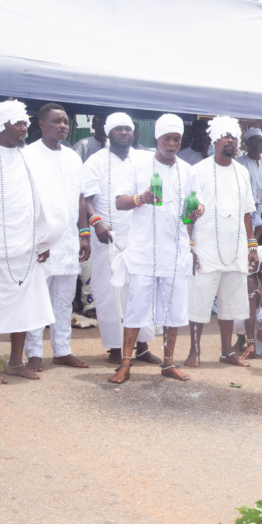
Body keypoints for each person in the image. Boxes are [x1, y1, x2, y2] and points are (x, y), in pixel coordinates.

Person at [0, 100, 58, 384]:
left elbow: (42, 200)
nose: (24, 128)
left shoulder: (28, 156)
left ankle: (16, 362)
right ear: (1, 125)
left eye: (25, 123)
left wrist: (44, 239)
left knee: (25, 305)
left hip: (27, 245)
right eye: (18, 123)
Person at [110, 114, 203, 384]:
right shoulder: (137, 164)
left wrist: (198, 211)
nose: (172, 144)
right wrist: (143, 198)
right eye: (166, 139)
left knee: (173, 310)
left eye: (176, 139)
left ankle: (168, 363)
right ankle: (125, 364)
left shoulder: (188, 170)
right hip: (143, 251)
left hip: (175, 252)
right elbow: (119, 201)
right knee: (137, 308)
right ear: (157, 139)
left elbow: (196, 206)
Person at [81, 113, 159, 366]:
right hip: (108, 236)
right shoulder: (95, 161)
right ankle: (116, 347)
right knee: (109, 289)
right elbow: (87, 198)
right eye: (118, 130)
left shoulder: (146, 158)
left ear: (134, 133)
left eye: (128, 129)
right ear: (108, 134)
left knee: (142, 289)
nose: (124, 133)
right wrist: (96, 222)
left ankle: (143, 346)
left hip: (140, 234)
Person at [184, 116, 257, 369]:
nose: (231, 141)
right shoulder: (198, 171)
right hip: (205, 248)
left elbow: (248, 212)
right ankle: (194, 351)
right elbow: (189, 212)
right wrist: (190, 246)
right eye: (225, 136)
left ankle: (227, 352)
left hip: (235, 249)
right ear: (214, 141)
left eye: (234, 137)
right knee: (199, 302)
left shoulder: (243, 172)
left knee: (231, 304)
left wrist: (252, 246)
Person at [23, 104, 90, 371]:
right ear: (41, 124)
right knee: (37, 297)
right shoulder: (28, 155)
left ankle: (62, 350)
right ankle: (34, 352)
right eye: (56, 121)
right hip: (40, 239)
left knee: (63, 299)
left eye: (65, 122)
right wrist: (36, 238)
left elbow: (81, 198)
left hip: (69, 238)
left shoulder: (73, 157)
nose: (62, 126)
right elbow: (26, 201)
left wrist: (84, 234)